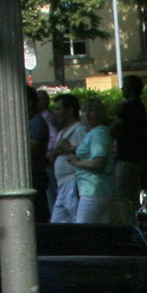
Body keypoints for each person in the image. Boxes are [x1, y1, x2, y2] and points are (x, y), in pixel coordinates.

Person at [67, 96, 116, 224]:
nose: (87, 115)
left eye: (91, 111)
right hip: (98, 191)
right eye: (84, 111)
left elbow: (99, 162)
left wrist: (76, 163)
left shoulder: (98, 133)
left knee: (82, 232)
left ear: (100, 113)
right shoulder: (95, 133)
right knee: (98, 234)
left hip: (93, 190)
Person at [114, 75, 147, 215]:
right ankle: (138, 219)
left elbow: (114, 128)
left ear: (131, 89)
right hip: (136, 156)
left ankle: (129, 222)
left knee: (122, 192)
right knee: (133, 193)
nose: (122, 89)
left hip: (127, 156)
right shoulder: (140, 106)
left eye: (124, 86)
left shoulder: (129, 107)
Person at [47, 94, 86, 223]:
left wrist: (69, 149)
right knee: (57, 222)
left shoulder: (80, 129)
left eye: (59, 109)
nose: (56, 113)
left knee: (76, 220)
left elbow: (87, 154)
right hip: (61, 184)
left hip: (73, 182)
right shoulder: (61, 133)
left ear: (69, 110)